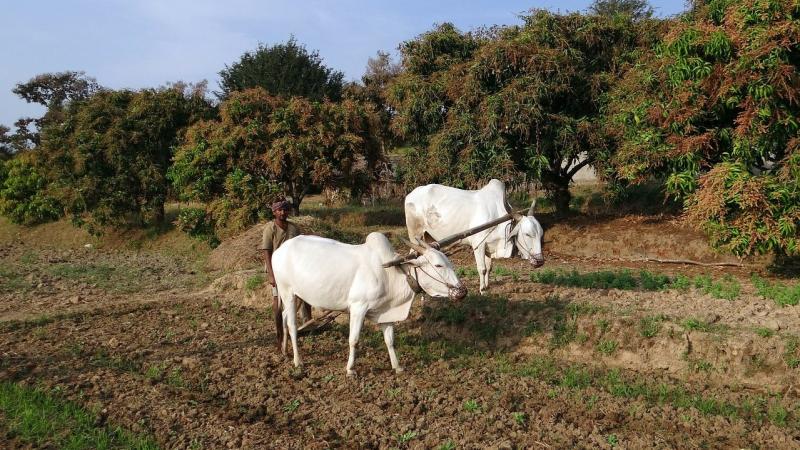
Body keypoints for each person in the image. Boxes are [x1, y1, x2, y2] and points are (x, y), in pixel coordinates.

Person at [259, 199, 311, 350]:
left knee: (306, 295)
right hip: (278, 270)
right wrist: (271, 275)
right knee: (278, 303)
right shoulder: (270, 229)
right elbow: (266, 251)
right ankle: (280, 334)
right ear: (274, 212)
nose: (283, 213)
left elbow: (301, 247)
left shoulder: (294, 228)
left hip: (293, 269)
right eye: (279, 210)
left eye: (285, 210)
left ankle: (308, 323)